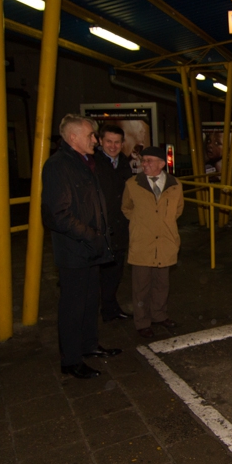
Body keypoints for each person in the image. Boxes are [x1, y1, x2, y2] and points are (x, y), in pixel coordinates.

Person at [41, 114, 121, 380]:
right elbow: (57, 214)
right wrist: (91, 234)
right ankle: (71, 360)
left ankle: (89, 345)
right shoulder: (57, 166)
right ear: (73, 137)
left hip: (91, 248)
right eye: (91, 136)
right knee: (73, 307)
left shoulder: (86, 162)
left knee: (89, 301)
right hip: (75, 250)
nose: (95, 141)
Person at [121, 147, 184, 339]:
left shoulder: (175, 185)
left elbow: (178, 209)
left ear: (161, 164)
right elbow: (127, 208)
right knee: (141, 285)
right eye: (143, 160)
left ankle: (159, 315)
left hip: (165, 242)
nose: (144, 164)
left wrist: (163, 224)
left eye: (149, 160)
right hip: (142, 242)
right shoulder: (133, 184)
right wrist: (143, 223)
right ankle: (142, 322)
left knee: (161, 283)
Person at [93, 125, 133, 323]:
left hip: (120, 226)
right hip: (100, 228)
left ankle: (110, 308)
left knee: (115, 271)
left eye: (117, 142)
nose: (113, 146)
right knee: (96, 273)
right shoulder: (93, 163)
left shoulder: (124, 163)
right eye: (109, 141)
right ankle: (94, 311)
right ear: (100, 141)